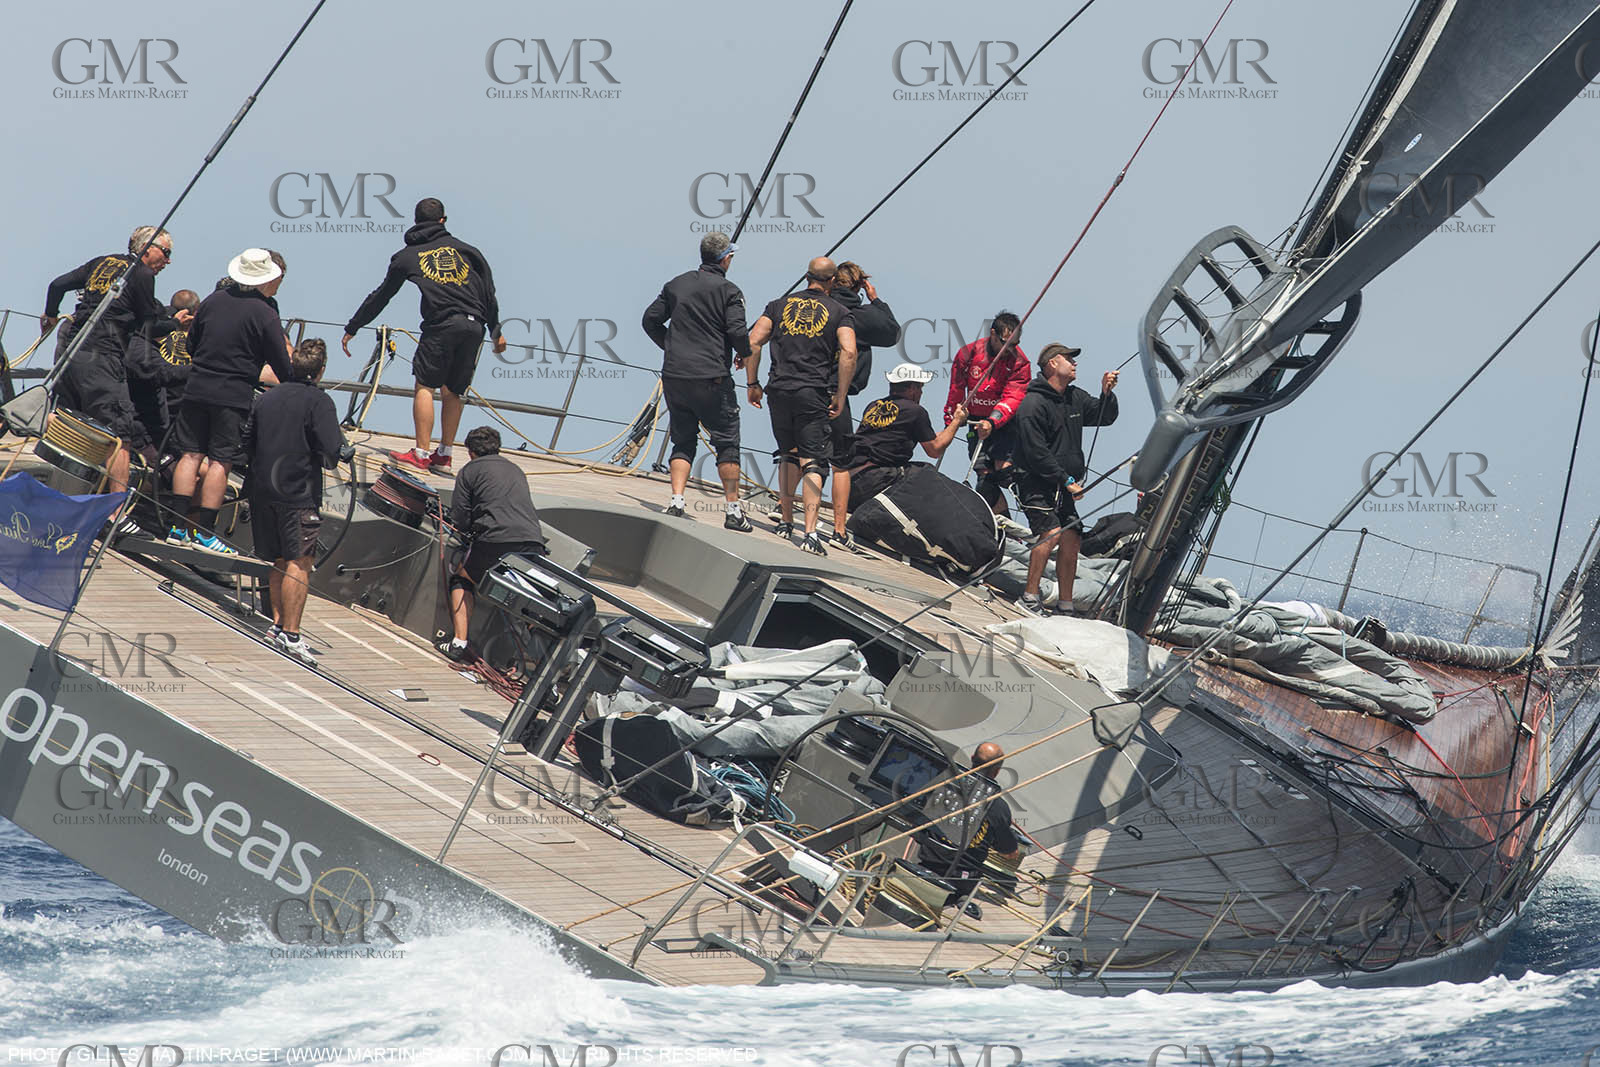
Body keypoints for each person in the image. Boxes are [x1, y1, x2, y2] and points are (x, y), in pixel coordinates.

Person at [342, 197, 506, 474]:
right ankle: (444, 456)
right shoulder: (471, 252)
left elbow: (381, 297)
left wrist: (353, 327)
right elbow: (488, 293)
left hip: (443, 325)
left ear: (416, 221)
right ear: (443, 220)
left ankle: (420, 453)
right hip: (474, 327)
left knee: (425, 387)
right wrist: (496, 331)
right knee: (454, 391)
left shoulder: (408, 256)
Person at [41, 226, 183, 500]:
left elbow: (57, 285)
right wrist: (175, 323)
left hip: (71, 355)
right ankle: (116, 512)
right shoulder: (141, 274)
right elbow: (147, 327)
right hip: (102, 358)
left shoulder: (102, 261)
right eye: (165, 253)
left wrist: (49, 315)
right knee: (120, 435)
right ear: (148, 247)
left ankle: (52, 494)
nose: (167, 261)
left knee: (66, 423)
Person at [170, 248, 293, 552]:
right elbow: (281, 363)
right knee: (220, 462)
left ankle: (175, 527)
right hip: (233, 393)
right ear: (267, 279)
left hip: (197, 386)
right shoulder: (266, 313)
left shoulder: (213, 301)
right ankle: (204, 532)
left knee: (189, 455)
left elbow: (192, 343)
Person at [641, 231, 753, 531]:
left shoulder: (676, 284)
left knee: (683, 438)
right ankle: (732, 511)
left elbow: (649, 320)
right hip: (712, 377)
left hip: (676, 375)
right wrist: (744, 353)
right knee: (727, 442)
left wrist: (670, 347)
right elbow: (738, 332)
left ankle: (677, 501)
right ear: (725, 258)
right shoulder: (730, 291)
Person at [243, 338, 344, 666]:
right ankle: (292, 633)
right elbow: (331, 450)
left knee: (277, 560)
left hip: (262, 489)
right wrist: (341, 451)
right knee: (299, 562)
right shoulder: (320, 401)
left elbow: (248, 441)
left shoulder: (266, 399)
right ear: (321, 371)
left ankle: (275, 626)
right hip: (297, 493)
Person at [746, 257, 857, 556]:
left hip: (778, 390)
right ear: (832, 282)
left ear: (806, 277)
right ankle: (809, 532)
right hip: (811, 392)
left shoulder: (777, 305)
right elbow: (849, 352)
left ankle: (785, 520)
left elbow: (754, 341)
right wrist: (841, 394)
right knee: (814, 462)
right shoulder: (840, 312)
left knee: (787, 453)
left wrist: (752, 383)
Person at [1011, 343, 1119, 614]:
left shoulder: (1075, 398)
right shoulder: (1032, 403)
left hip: (1063, 485)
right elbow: (1035, 452)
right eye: (1068, 359)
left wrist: (1107, 393)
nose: (1075, 363)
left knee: (1071, 538)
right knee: (1049, 534)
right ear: (1051, 364)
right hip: (1035, 481)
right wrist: (1065, 480)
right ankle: (1029, 597)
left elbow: (1104, 417)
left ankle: (1066, 606)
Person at [440, 426, 547, 662]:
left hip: (496, 540)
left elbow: (461, 516)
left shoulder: (469, 471)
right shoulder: (515, 469)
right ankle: (543, 666)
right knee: (530, 603)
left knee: (461, 578)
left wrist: (464, 528)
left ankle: (458, 642)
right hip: (533, 542)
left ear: (471, 452)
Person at [835, 363, 967, 535]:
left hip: (849, 487)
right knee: (926, 473)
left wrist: (949, 428)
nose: (921, 393)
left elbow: (930, 438)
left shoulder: (873, 406)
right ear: (912, 388)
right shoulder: (916, 411)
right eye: (920, 388)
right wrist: (956, 422)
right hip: (874, 481)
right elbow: (934, 450)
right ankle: (929, 528)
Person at [825, 262, 900, 544]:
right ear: (857, 286)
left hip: (804, 389)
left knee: (799, 453)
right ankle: (839, 529)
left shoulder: (822, 308)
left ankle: (784, 515)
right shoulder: (860, 316)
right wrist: (875, 299)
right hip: (836, 396)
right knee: (841, 462)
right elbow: (892, 332)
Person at [915, 742, 1023, 918]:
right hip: (961, 879)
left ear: (972, 759)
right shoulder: (998, 807)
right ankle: (961, 898)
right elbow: (1009, 852)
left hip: (927, 861)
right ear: (996, 771)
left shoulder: (944, 782)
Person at [945, 313, 1031, 517]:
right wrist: (951, 422)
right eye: (1006, 343)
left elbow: (1013, 396)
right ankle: (1002, 526)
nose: (1010, 349)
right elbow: (956, 391)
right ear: (993, 334)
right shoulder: (968, 353)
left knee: (1005, 470)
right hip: (975, 422)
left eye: (1015, 344)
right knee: (983, 475)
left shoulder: (1020, 362)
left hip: (1004, 423)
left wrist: (993, 421)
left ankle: (1040, 515)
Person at [126, 288, 199, 455]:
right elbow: (164, 373)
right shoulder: (139, 348)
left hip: (159, 422)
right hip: (145, 429)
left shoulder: (143, 341)